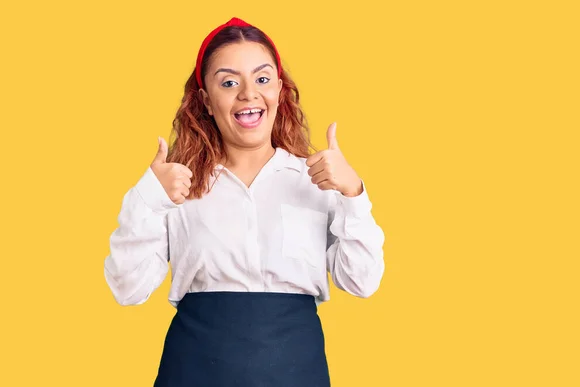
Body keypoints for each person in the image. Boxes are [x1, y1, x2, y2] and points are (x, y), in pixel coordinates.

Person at [104, 16, 385, 387]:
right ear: (205, 99)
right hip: (192, 373)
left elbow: (361, 282)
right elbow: (128, 289)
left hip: (297, 374)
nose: (248, 93)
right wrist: (147, 197)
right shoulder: (176, 187)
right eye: (229, 82)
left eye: (262, 79)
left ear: (280, 91)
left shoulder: (318, 180)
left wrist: (352, 193)